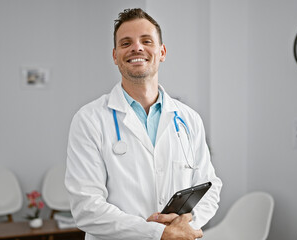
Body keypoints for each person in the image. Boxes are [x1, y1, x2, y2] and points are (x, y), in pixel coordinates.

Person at [65, 8, 222, 240]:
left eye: (146, 41)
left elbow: (210, 187)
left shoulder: (189, 119)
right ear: (115, 55)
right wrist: (157, 233)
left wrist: (182, 225)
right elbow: (86, 208)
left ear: (162, 52)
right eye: (126, 43)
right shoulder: (89, 120)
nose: (136, 48)